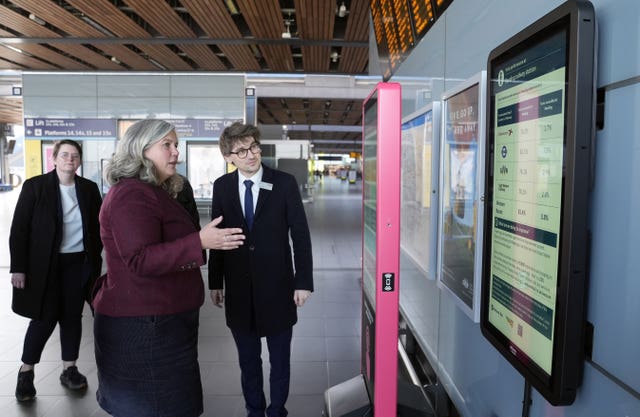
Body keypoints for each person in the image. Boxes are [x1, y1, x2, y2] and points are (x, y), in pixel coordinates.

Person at [93, 119, 245, 417]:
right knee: (156, 407)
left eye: (176, 145)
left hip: (160, 323)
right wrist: (199, 241)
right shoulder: (131, 194)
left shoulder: (152, 191)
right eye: (168, 145)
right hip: (145, 328)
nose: (176, 152)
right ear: (141, 150)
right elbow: (139, 259)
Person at [208, 122, 313, 417]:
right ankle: (255, 410)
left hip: (278, 287)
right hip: (239, 289)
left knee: (280, 361)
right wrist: (215, 282)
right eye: (241, 151)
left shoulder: (284, 183)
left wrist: (302, 281)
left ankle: (277, 410)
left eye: (254, 146)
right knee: (248, 361)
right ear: (229, 157)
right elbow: (218, 238)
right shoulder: (222, 186)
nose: (251, 155)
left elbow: (301, 235)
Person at [9, 139, 103, 402]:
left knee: (73, 317)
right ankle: (26, 372)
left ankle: (69, 369)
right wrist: (18, 268)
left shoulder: (88, 188)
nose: (69, 159)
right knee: (44, 318)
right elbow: (19, 231)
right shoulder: (35, 187)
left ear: (80, 160)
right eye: (64, 155)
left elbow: (98, 228)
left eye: (74, 155)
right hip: (44, 267)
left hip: (78, 264)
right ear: (54, 158)